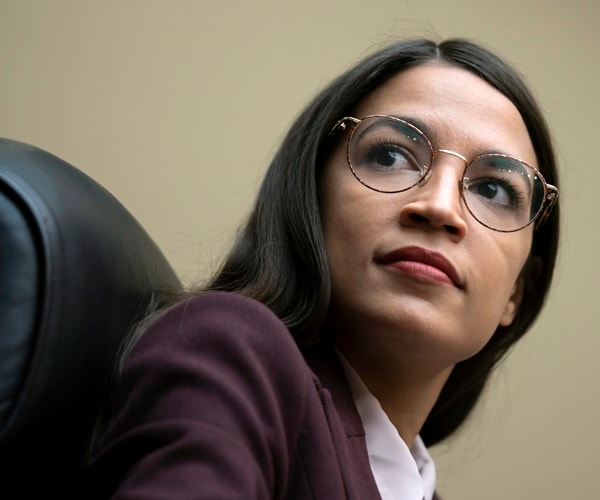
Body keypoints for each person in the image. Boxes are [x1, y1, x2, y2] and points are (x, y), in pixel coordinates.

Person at [85, 37, 560, 499]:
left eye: (494, 189)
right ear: (312, 200)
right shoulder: (230, 347)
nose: (439, 208)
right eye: (391, 155)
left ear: (517, 291)